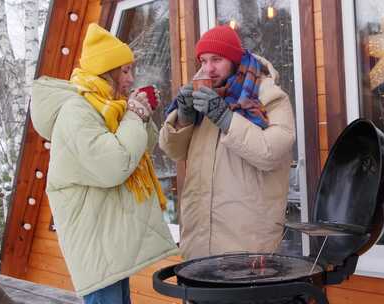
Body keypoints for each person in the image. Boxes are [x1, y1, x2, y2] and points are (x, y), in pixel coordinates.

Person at [30, 23, 177, 303]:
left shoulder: (106, 105)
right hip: (95, 246)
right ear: (105, 71)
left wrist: (140, 115)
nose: (130, 79)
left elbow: (138, 150)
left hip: (109, 243)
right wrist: (134, 114)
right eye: (124, 71)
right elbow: (114, 165)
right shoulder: (77, 111)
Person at [159, 25, 295, 260]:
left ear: (234, 60)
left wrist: (226, 118)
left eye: (217, 59)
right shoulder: (202, 95)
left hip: (245, 242)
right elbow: (173, 152)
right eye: (203, 61)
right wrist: (183, 119)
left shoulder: (268, 96)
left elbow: (271, 153)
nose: (208, 69)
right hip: (198, 238)